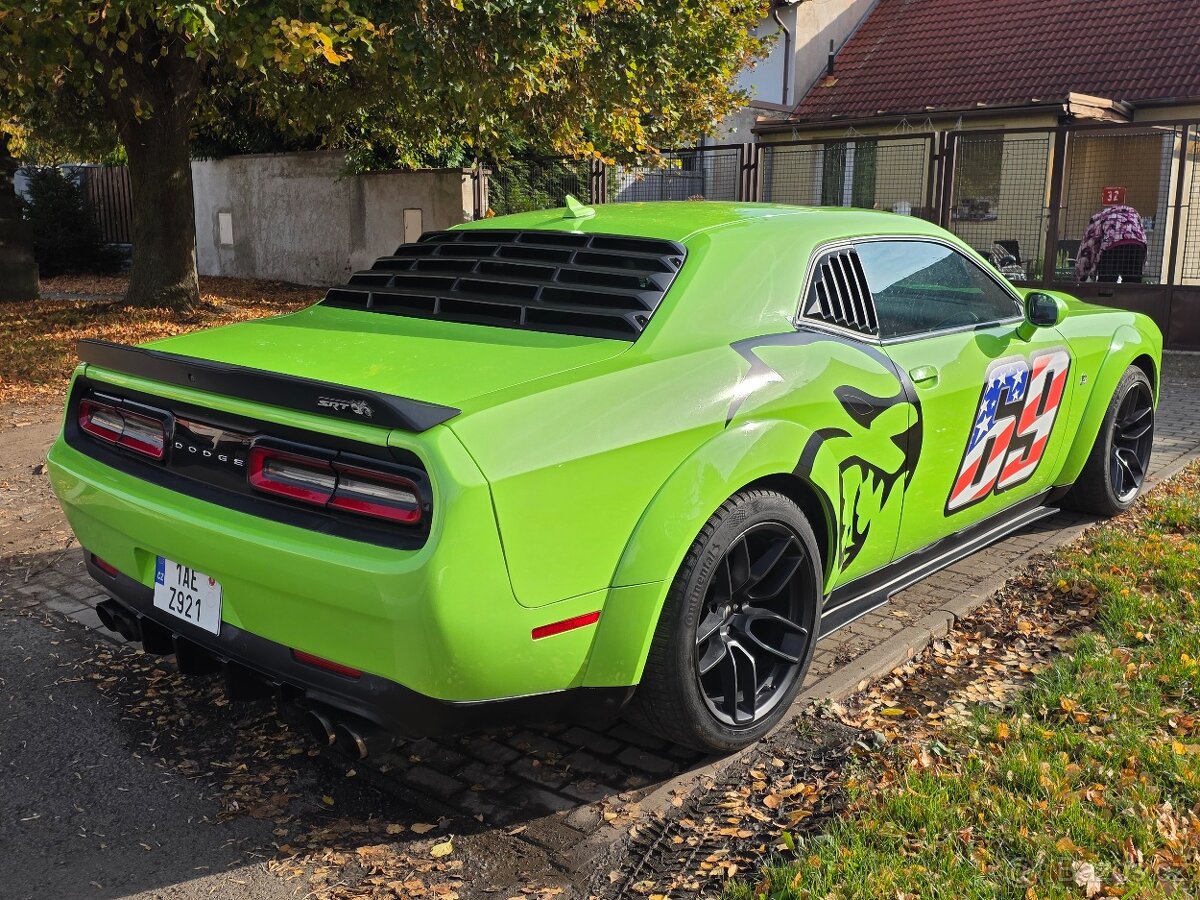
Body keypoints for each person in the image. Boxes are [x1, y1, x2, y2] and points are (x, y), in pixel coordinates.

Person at [1074, 203, 1146, 281]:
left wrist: (1081, 275)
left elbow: (1087, 248)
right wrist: (1144, 263)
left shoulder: (1098, 218)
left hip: (1113, 246)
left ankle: (1105, 291)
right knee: (1132, 283)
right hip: (1137, 246)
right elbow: (1143, 236)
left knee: (1107, 283)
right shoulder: (1133, 212)